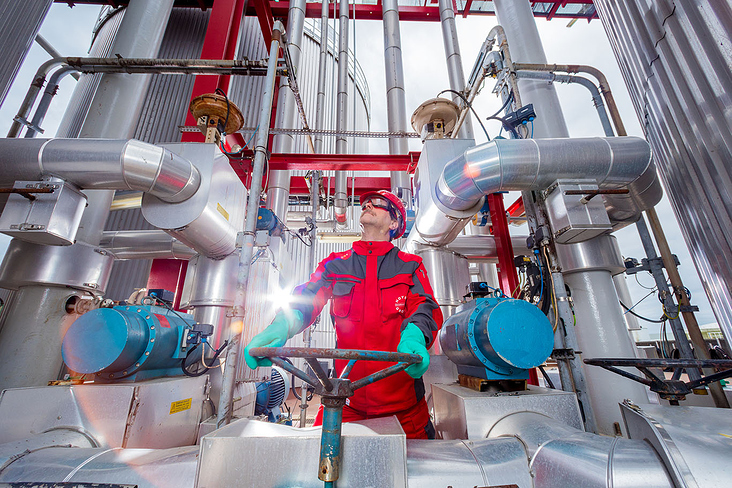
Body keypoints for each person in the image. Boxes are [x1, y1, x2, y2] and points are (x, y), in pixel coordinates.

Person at [244, 190, 443, 439]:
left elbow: (424, 306)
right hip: (346, 403)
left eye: (378, 204)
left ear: (394, 223)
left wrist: (414, 336)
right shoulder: (335, 264)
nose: (368, 204)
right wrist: (281, 326)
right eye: (366, 202)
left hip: (404, 412)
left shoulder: (410, 265)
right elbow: (307, 298)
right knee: (317, 465)